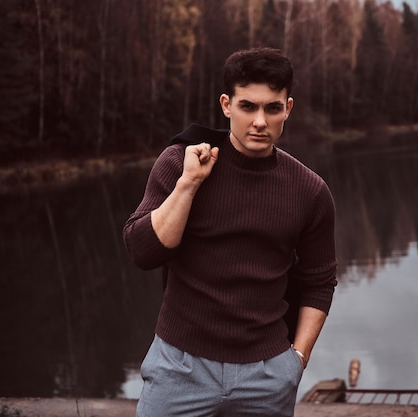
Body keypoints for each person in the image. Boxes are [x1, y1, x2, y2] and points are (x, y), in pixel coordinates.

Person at [123, 47, 338, 417]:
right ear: (226, 105)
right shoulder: (181, 162)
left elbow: (320, 280)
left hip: (267, 374)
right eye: (247, 106)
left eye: (272, 108)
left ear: (288, 108)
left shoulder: (310, 190)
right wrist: (189, 184)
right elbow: (143, 252)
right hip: (179, 366)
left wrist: (296, 360)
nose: (259, 121)